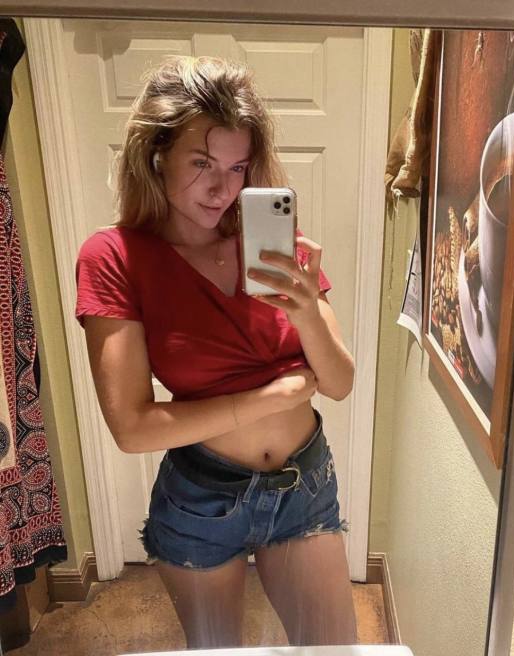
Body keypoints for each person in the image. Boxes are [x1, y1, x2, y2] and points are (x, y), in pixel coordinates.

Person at [75, 56, 357, 649]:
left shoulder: (269, 243)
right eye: (201, 163)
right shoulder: (115, 257)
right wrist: (270, 398)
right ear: (157, 155)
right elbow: (132, 428)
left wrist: (306, 310)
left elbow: (338, 382)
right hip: (202, 499)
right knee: (217, 654)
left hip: (303, 485)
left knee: (333, 651)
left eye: (236, 167)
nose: (222, 188)